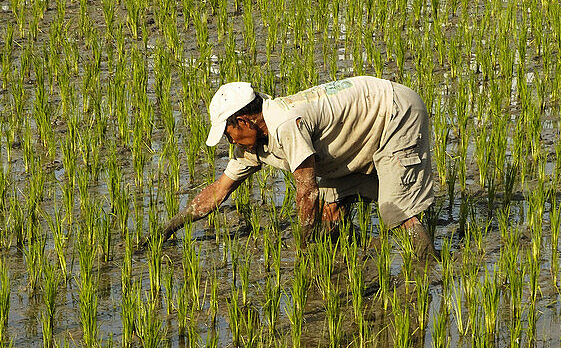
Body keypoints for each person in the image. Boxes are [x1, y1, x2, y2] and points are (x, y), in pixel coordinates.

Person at [162, 76, 435, 257]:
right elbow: (218, 192)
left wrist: (302, 248)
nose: (229, 140)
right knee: (330, 209)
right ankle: (347, 263)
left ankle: (427, 269)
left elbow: (307, 191)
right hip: (357, 131)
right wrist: (168, 228)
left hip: (395, 112)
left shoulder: (284, 124)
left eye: (227, 132)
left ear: (244, 120)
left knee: (395, 210)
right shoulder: (251, 145)